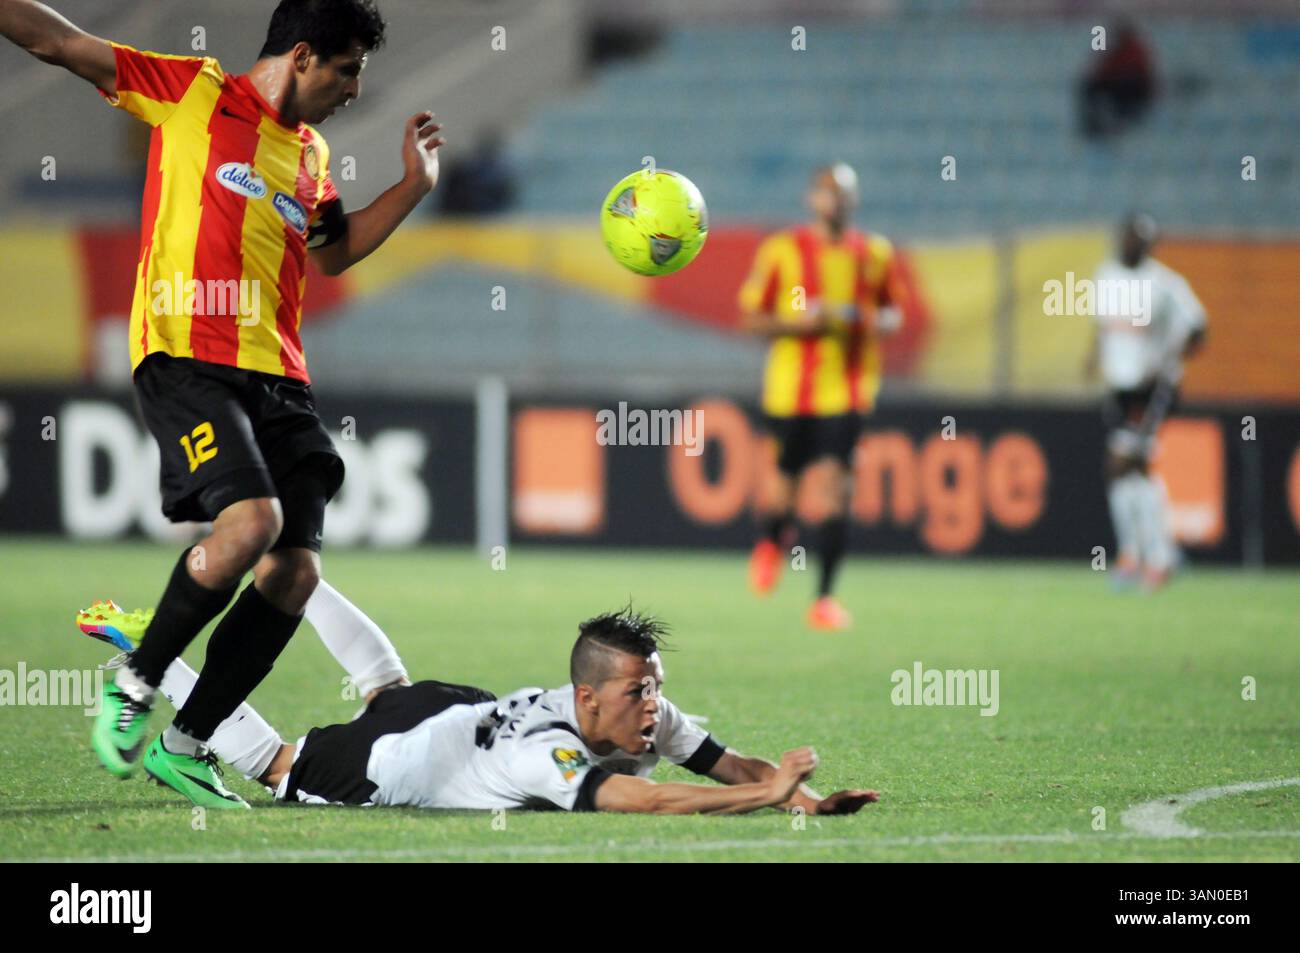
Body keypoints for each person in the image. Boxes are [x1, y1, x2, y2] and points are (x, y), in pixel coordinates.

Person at [0, 0, 444, 807]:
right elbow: (57, 40)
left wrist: (413, 186)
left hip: (279, 377)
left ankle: (186, 739)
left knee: (295, 572)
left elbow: (335, 252)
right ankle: (136, 681)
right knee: (252, 523)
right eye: (347, 71)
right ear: (303, 56)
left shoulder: (310, 154)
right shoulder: (191, 92)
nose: (352, 91)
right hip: (187, 358)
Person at [77, 597, 879, 815]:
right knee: (279, 764)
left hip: (448, 710)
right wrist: (763, 795)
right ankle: (153, 658)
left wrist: (801, 799)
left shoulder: (639, 710)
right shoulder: (551, 752)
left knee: (387, 685)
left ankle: (302, 577)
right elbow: (649, 798)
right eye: (642, 689)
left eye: (656, 685)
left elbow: (722, 760)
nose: (656, 703)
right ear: (589, 696)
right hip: (394, 760)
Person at [738, 163, 905, 631]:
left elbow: (894, 315)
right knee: (783, 489)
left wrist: (856, 317)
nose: (836, 201)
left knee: (837, 489)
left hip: (847, 390)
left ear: (854, 201)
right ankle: (772, 540)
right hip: (790, 390)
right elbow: (752, 317)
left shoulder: (874, 254)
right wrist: (798, 324)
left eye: (844, 193)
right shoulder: (783, 250)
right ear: (812, 199)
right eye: (827, 193)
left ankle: (824, 598)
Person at [1085, 212, 1207, 590]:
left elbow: (1198, 326)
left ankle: (1150, 556)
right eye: (1127, 236)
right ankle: (1145, 555)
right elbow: (1104, 328)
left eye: (1139, 238)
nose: (1131, 243)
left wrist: (1169, 358)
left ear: (1149, 244)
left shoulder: (1164, 284)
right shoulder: (1105, 276)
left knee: (1123, 463)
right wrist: (1093, 358)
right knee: (1133, 470)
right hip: (1120, 386)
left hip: (1152, 388)